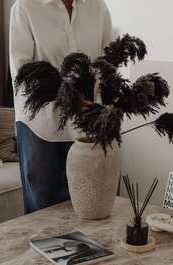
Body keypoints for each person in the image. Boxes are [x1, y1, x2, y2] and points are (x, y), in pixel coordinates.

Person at [9, 0, 114, 214]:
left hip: (82, 120)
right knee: (40, 204)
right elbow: (22, 71)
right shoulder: (25, 7)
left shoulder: (98, 7)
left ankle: (81, 248)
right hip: (38, 122)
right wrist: (67, 98)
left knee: (81, 201)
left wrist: (106, 96)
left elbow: (107, 61)